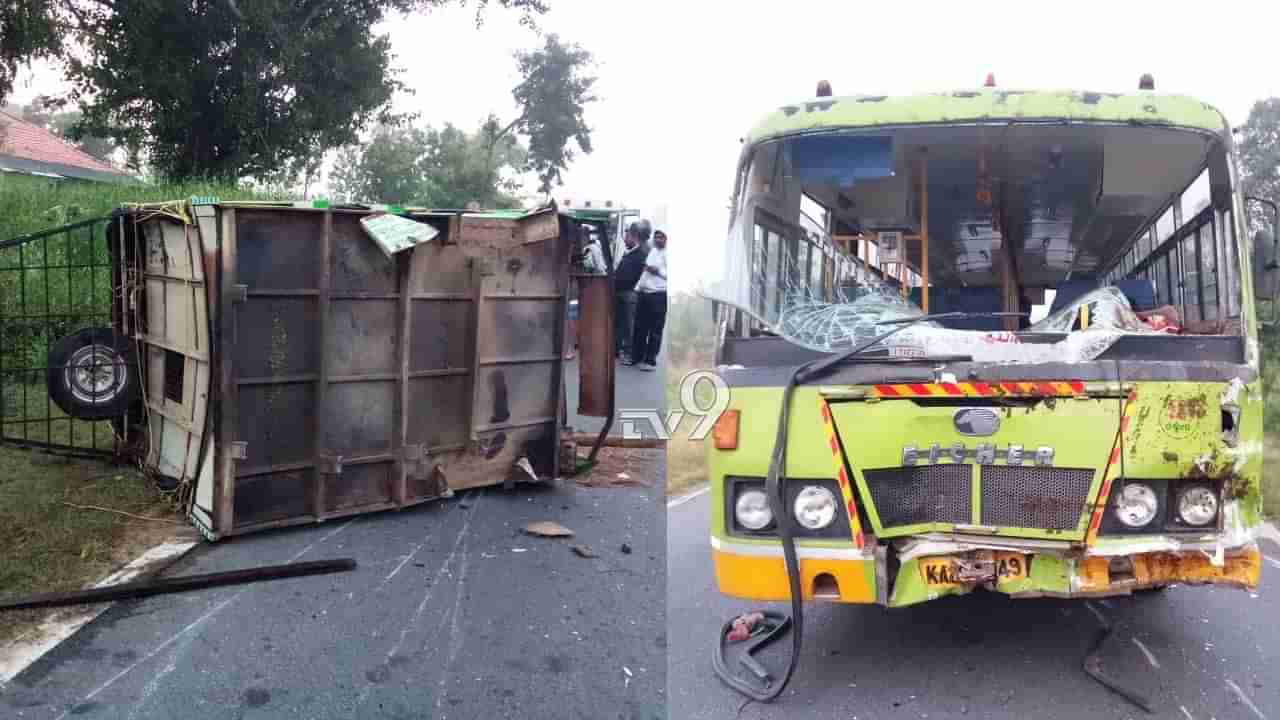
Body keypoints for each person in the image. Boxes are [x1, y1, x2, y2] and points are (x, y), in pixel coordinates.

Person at [629, 229, 667, 371]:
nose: (658, 240)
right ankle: (637, 357)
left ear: (666, 239)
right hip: (644, 294)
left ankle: (650, 361)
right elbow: (645, 273)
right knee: (640, 327)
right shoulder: (653, 251)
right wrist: (637, 288)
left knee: (655, 329)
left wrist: (658, 272)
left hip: (658, 295)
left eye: (661, 237)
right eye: (656, 237)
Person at [614, 222, 649, 360]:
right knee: (620, 323)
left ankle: (631, 352)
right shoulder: (629, 253)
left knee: (630, 325)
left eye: (626, 235)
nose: (624, 239)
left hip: (630, 294)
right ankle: (619, 349)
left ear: (633, 236)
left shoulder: (642, 254)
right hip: (621, 292)